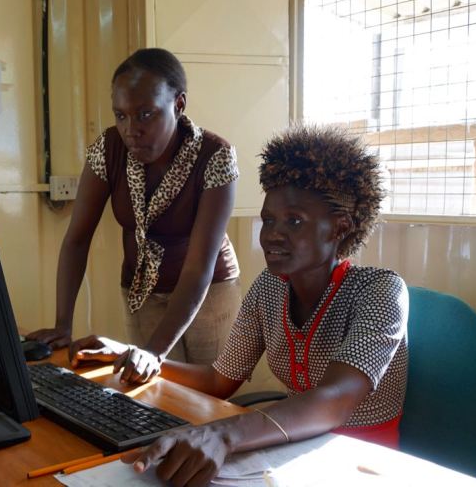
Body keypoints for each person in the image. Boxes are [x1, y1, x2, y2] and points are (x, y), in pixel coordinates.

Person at [68, 124, 409, 487]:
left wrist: (222, 434)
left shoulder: (380, 291)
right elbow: (218, 380)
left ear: (339, 228)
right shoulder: (269, 288)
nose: (272, 235)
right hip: (293, 452)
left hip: (362, 465)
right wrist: (138, 354)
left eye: (294, 221)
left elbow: (334, 401)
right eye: (268, 220)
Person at [27, 48, 243, 374]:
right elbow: (77, 239)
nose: (131, 129)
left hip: (208, 292)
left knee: (208, 398)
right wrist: (62, 324)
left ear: (179, 104)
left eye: (145, 114)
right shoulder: (109, 148)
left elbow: (199, 267)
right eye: (121, 115)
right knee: (148, 395)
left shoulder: (215, 156)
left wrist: (153, 353)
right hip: (141, 291)